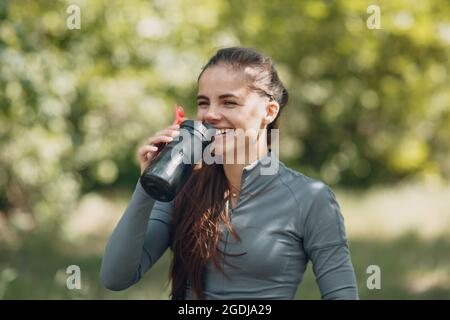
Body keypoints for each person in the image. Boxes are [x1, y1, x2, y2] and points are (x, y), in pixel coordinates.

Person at [100, 47, 359, 300]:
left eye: (229, 102)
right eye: (204, 102)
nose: (210, 114)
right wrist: (149, 184)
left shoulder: (310, 198)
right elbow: (116, 278)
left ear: (269, 112)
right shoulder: (182, 187)